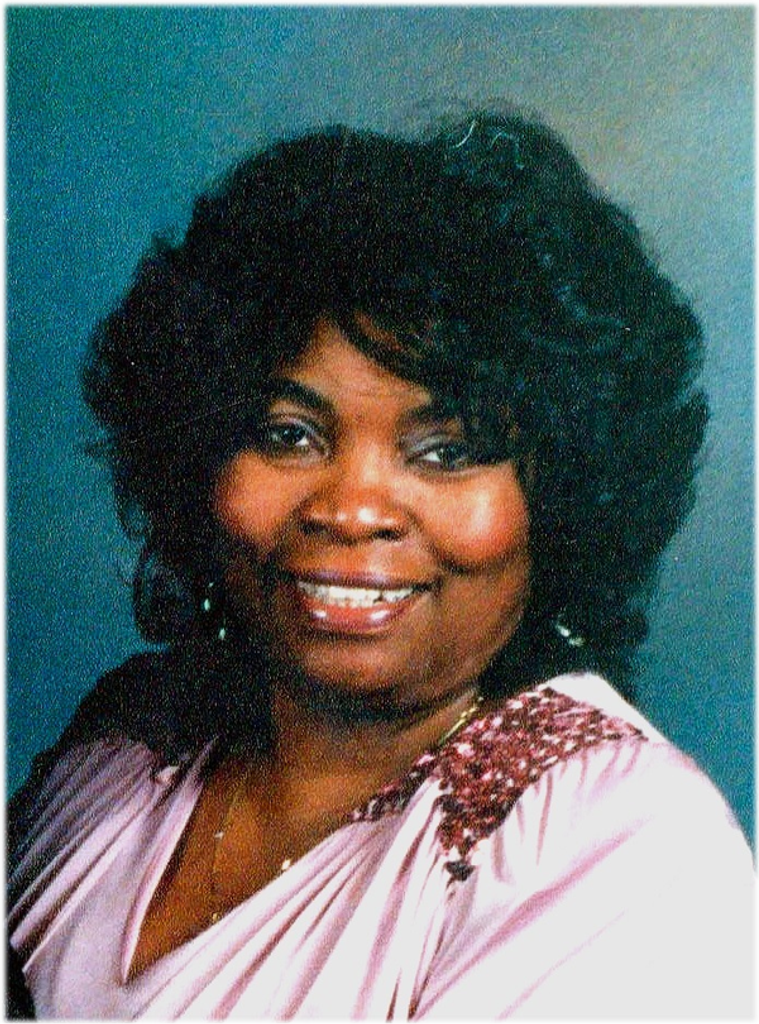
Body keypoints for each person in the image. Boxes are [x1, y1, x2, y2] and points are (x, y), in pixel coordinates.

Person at [1, 110, 756, 1024]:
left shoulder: (619, 841)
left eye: (446, 451)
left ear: (560, 501)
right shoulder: (122, 750)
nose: (352, 510)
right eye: (288, 434)